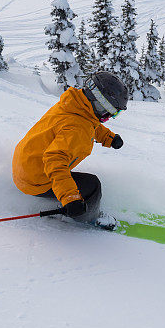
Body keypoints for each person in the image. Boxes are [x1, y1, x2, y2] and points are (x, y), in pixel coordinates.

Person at [12, 71, 127, 226]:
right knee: (93, 186)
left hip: (26, 164)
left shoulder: (73, 105)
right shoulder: (78, 128)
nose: (110, 117)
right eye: (112, 112)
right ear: (100, 104)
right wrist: (70, 198)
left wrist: (109, 138)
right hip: (35, 180)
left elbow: (89, 122)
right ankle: (91, 218)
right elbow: (54, 161)